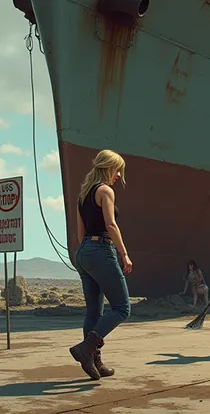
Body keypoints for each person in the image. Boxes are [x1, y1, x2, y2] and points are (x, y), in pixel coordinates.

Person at [69, 149, 132, 380]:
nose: (118, 176)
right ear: (108, 168)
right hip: (100, 249)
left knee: (94, 312)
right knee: (122, 308)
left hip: (83, 252)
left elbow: (79, 234)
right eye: (118, 171)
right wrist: (123, 253)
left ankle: (94, 361)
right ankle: (86, 349)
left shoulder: (82, 196)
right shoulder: (105, 191)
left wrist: (88, 254)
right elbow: (111, 225)